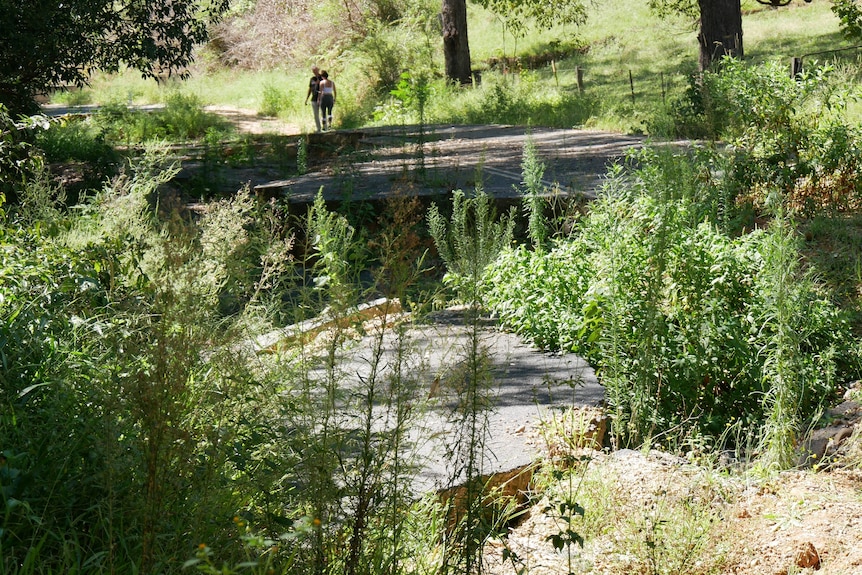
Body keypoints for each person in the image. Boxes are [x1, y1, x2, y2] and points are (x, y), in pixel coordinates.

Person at [304, 65, 323, 132]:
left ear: (318, 70)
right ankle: (318, 129)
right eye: (313, 71)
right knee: (316, 114)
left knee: (323, 113)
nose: (314, 72)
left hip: (322, 98)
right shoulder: (312, 79)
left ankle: (325, 127)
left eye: (315, 70)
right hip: (314, 99)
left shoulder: (322, 78)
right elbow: (310, 89)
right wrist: (307, 99)